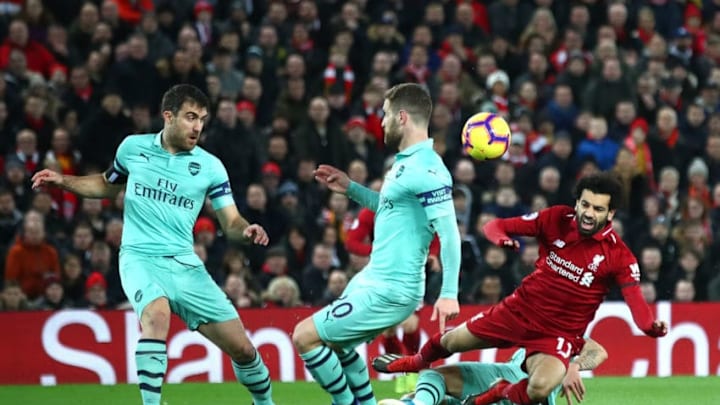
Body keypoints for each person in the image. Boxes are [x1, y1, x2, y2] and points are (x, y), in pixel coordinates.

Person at [31, 84, 275, 405]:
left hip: (186, 265)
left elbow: (230, 221)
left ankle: (266, 403)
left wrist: (246, 230)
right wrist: (64, 180)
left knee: (243, 349)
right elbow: (107, 185)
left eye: (202, 119)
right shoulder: (132, 148)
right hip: (140, 258)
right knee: (156, 316)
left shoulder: (211, 166)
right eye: (190, 117)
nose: (197, 126)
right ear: (168, 116)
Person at [374, 172, 668, 405]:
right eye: (585, 204)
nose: (589, 213)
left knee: (539, 388)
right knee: (451, 343)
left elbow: (636, 303)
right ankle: (414, 361)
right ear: (577, 202)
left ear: (610, 214)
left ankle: (497, 394)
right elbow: (495, 225)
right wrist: (501, 238)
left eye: (598, 208)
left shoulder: (619, 256)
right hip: (517, 311)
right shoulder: (555, 218)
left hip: (556, 334)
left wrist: (650, 327)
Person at [292, 83, 462, 405]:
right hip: (373, 278)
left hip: (392, 288)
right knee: (337, 346)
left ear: (401, 117)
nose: (380, 123)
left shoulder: (427, 169)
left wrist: (449, 292)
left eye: (384, 115)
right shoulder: (405, 163)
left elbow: (450, 232)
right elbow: (390, 207)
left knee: (305, 337)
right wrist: (351, 188)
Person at [377, 337, 608, 405]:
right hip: (506, 379)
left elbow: (598, 351)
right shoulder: (532, 333)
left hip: (527, 390)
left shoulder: (567, 337)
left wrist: (575, 366)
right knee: (432, 379)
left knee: (433, 378)